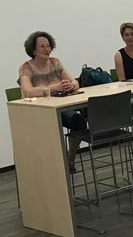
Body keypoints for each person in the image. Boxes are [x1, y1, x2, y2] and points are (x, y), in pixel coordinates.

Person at [20, 31, 85, 168]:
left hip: (61, 107)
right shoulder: (26, 67)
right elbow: (27, 91)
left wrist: (71, 85)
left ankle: (70, 159)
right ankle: (51, 164)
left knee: (79, 121)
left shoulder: (55, 62)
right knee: (51, 129)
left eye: (48, 46)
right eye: (42, 46)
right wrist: (54, 87)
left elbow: (75, 82)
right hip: (41, 112)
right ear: (33, 50)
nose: (47, 49)